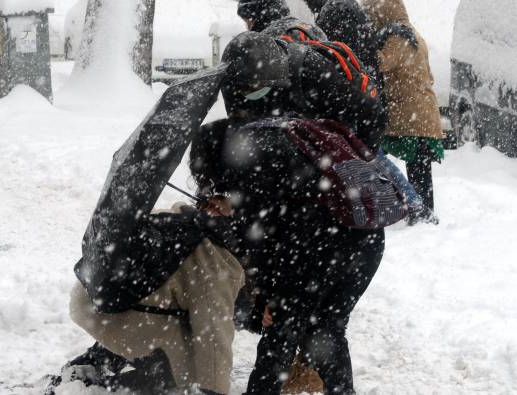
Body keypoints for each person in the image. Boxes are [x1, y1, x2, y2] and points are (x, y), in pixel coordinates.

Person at [188, 1, 387, 394]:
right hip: (363, 237)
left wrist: (264, 293)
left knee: (281, 334)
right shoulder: (301, 120)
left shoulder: (252, 152)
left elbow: (260, 238)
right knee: (325, 330)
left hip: (321, 242)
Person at [59, 199, 244, 395]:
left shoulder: (175, 216)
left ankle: (94, 360)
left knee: (153, 307)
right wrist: (216, 390)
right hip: (124, 320)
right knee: (186, 370)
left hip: (91, 300)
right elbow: (213, 333)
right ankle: (99, 388)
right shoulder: (218, 258)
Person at [302, 0, 433, 224]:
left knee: (377, 157)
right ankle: (408, 204)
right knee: (374, 157)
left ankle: (414, 205)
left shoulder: (346, 20)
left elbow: (372, 63)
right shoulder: (366, 27)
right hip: (372, 101)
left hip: (368, 104)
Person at [361, 0, 443, 224]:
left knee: (417, 166)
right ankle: (423, 211)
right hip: (422, 113)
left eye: (371, 16)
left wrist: (365, 46)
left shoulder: (397, 37)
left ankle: (422, 214)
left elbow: (381, 63)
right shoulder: (412, 33)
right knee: (419, 166)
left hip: (414, 115)